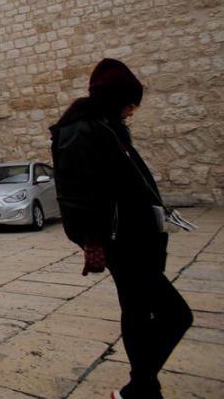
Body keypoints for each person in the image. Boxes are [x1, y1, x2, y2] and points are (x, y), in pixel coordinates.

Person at [51, 58, 192, 399]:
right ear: (117, 99)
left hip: (137, 238)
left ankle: (145, 388)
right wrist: (92, 240)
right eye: (131, 104)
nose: (133, 111)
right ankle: (139, 387)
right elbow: (75, 194)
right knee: (176, 315)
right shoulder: (81, 131)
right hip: (122, 243)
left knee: (138, 312)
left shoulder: (107, 127)